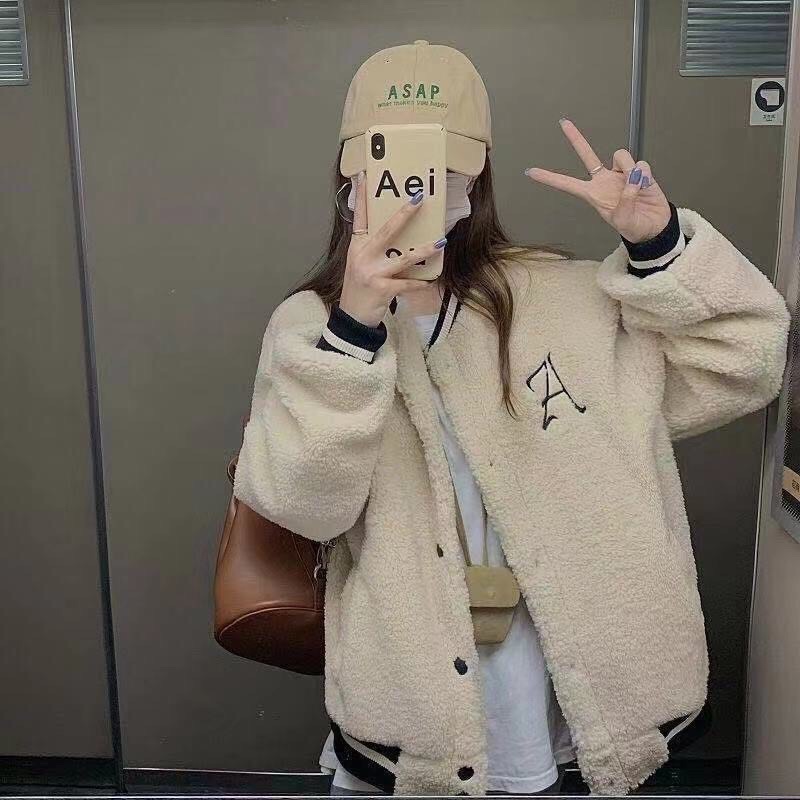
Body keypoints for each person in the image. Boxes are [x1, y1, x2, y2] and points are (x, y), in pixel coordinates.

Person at [232, 41, 791, 797]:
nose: (422, 188)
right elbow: (306, 505)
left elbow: (747, 361)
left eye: (445, 168)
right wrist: (354, 330)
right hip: (411, 704)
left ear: (476, 177)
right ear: (350, 174)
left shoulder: (566, 298)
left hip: (581, 695)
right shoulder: (309, 328)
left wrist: (658, 245)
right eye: (395, 162)